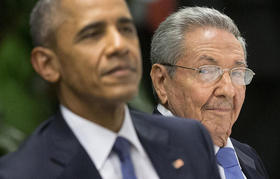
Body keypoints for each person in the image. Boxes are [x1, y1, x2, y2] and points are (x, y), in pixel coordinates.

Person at [0, 1, 221, 179]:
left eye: (126, 29)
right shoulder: (23, 172)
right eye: (92, 34)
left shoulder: (190, 139)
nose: (119, 45)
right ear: (47, 64)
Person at [150, 7, 269, 179]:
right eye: (207, 71)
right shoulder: (139, 157)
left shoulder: (249, 157)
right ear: (162, 81)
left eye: (237, 73)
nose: (228, 90)